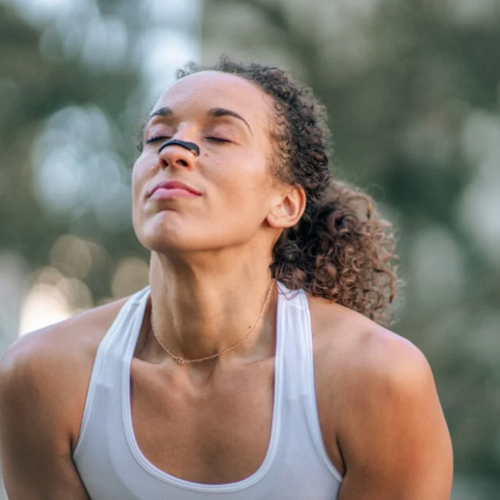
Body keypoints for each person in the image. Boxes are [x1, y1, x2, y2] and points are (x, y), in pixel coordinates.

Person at [0, 57, 453, 499]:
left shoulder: (376, 380)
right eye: (157, 136)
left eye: (219, 136)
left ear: (285, 204)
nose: (173, 150)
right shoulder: (43, 378)